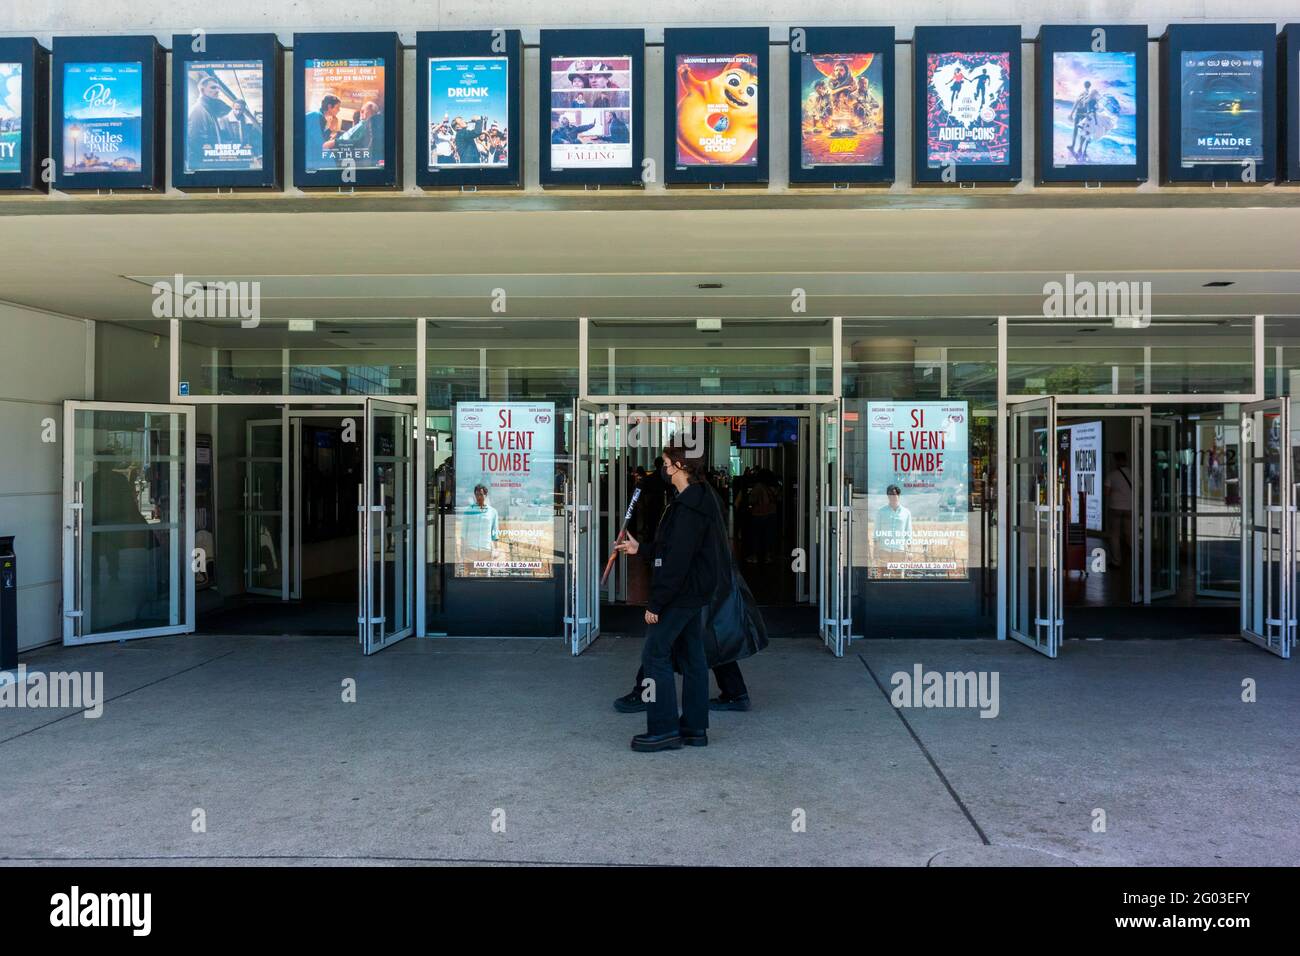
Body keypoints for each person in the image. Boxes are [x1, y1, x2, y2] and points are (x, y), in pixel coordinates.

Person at [613, 441, 722, 752]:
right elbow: (673, 549)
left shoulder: (689, 506)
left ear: (680, 465)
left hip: (681, 594)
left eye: (665, 462)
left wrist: (656, 603)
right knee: (692, 658)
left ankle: (663, 730)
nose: (662, 468)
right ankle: (694, 728)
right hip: (692, 593)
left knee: (654, 655)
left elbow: (677, 561)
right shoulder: (692, 500)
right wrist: (641, 549)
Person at [459, 483, 500, 572]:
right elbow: (463, 533)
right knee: (470, 575)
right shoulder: (468, 511)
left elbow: (495, 534)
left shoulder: (493, 512)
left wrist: (496, 550)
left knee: (485, 576)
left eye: (481, 494)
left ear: (485, 495)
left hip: (486, 550)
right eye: (477, 494)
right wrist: (462, 552)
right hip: (471, 549)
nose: (479, 497)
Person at [1104, 451, 1133, 569]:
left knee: (1114, 535)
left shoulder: (1112, 475)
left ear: (1116, 461)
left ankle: (1116, 561)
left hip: (1115, 508)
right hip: (1130, 508)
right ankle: (1137, 558)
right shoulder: (1133, 474)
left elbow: (1106, 492)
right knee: (1130, 534)